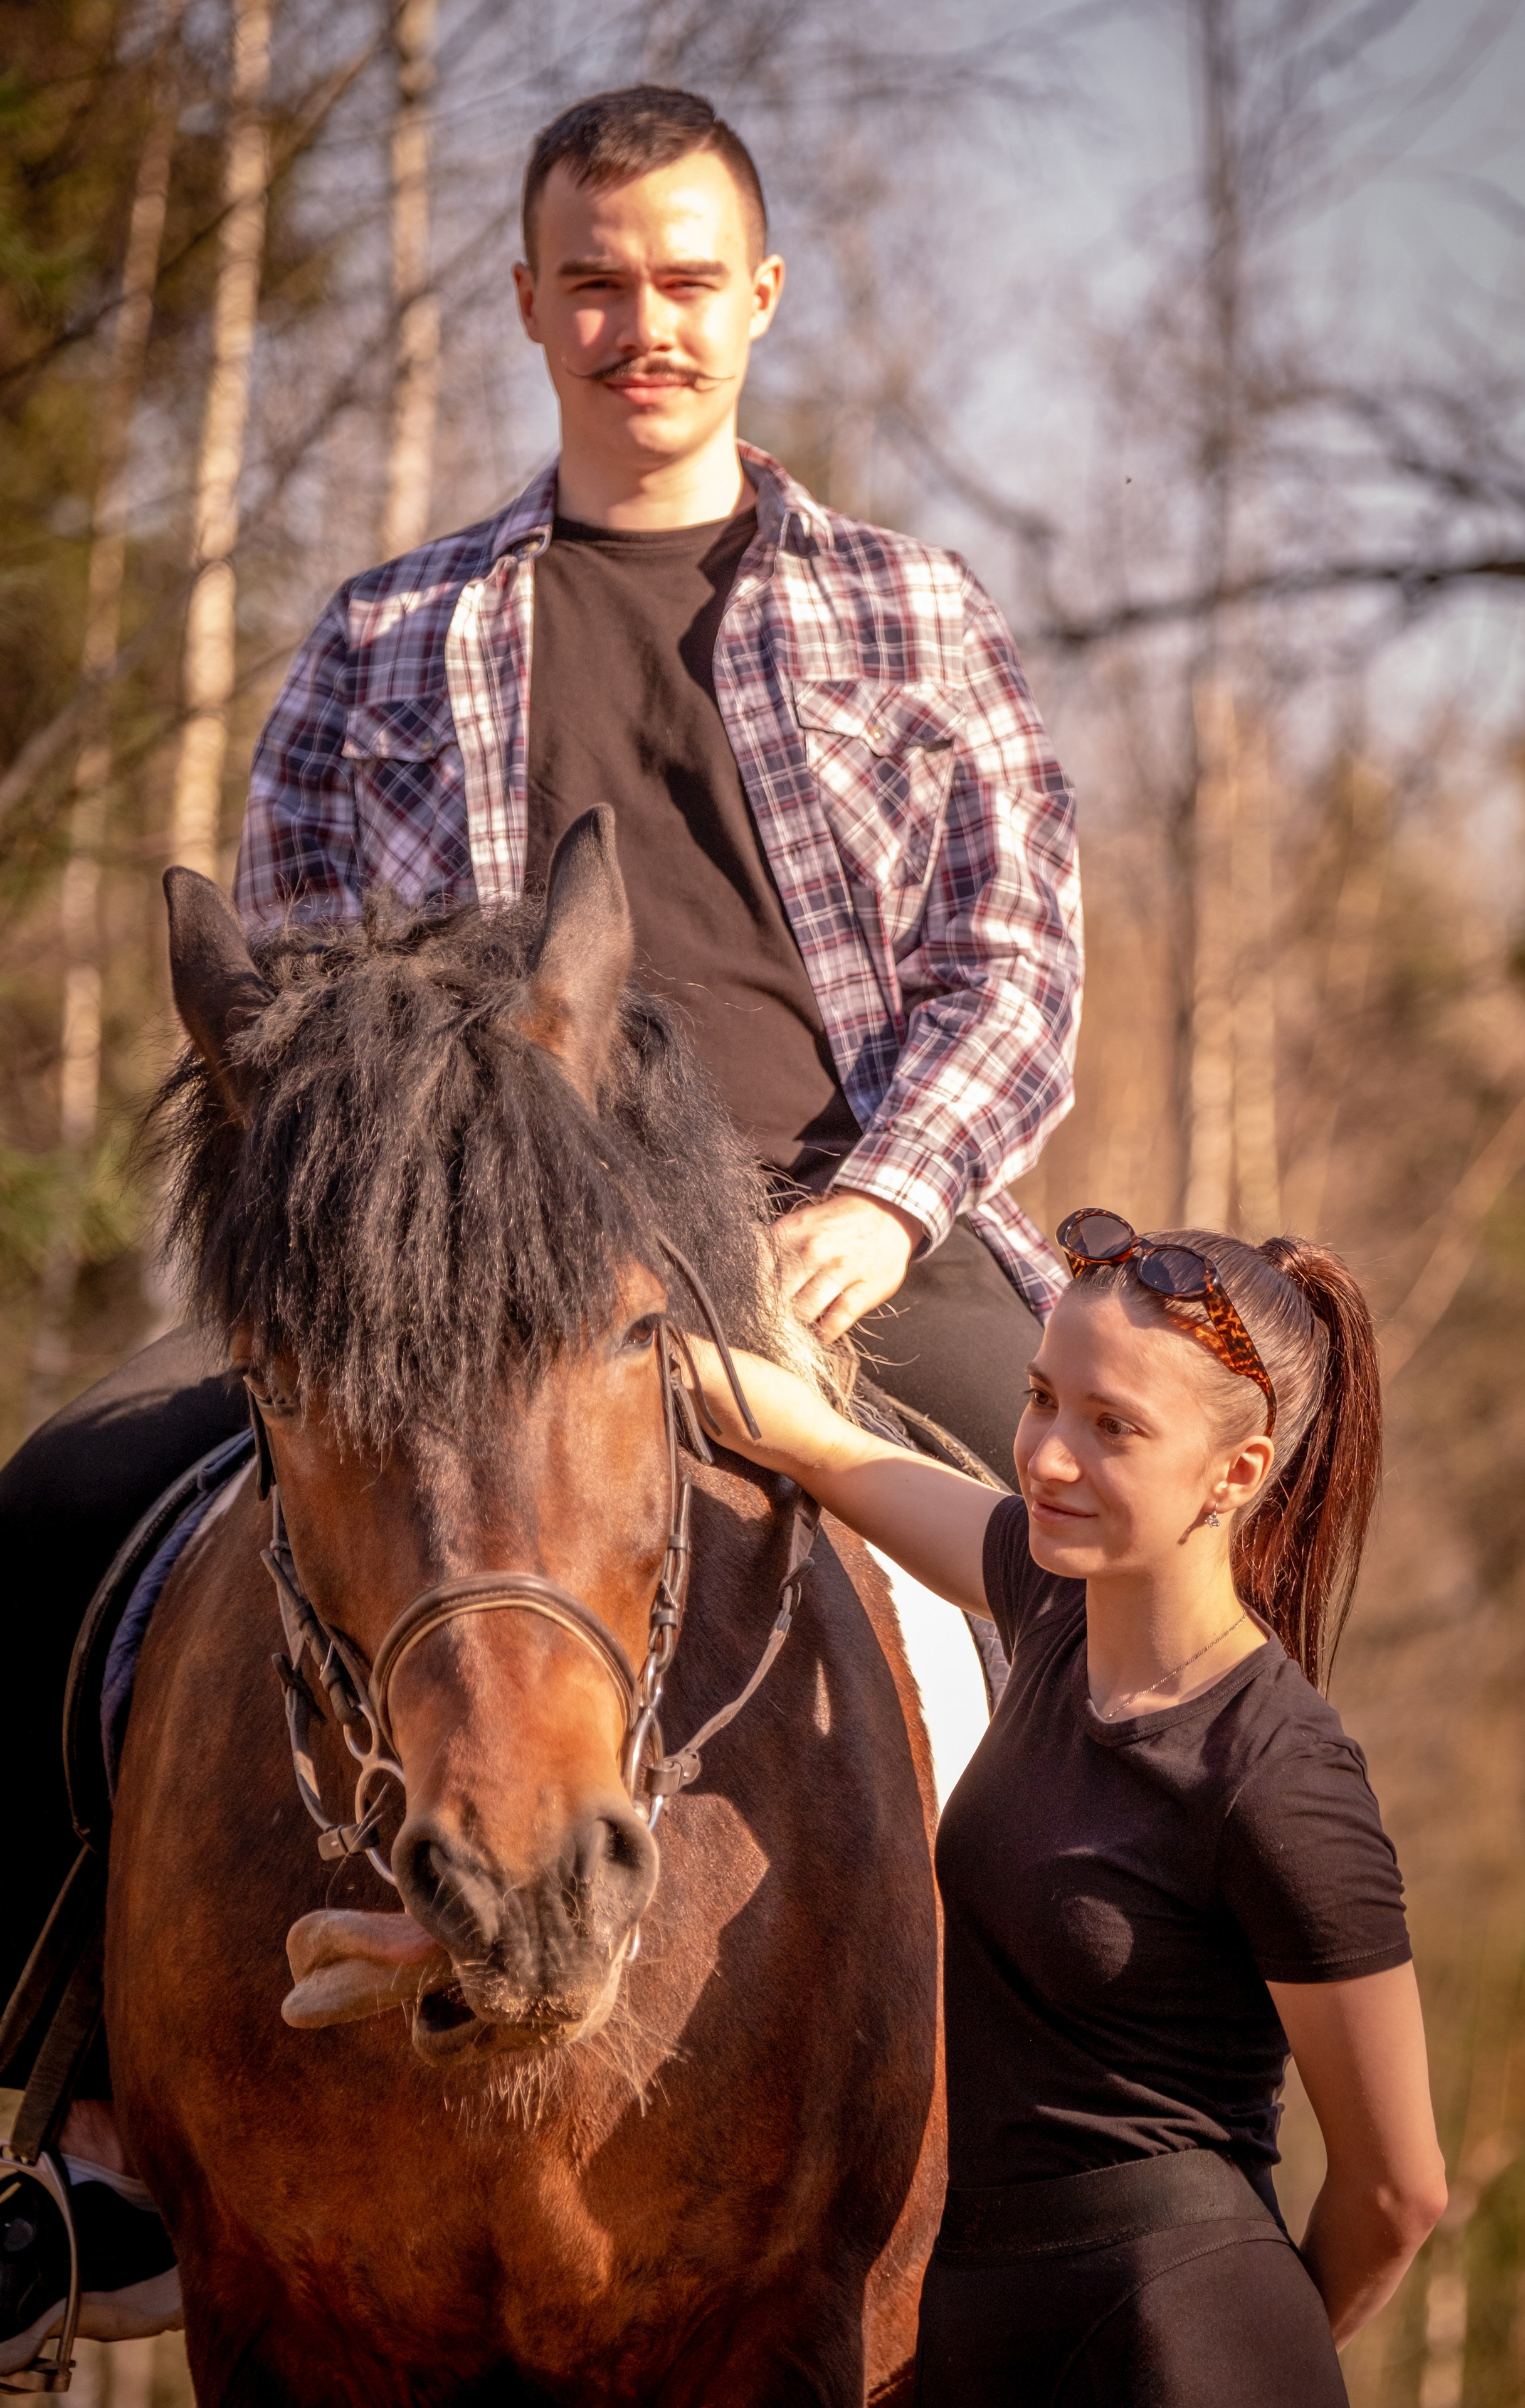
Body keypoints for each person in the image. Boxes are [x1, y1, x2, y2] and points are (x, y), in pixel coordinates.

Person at [0, 82, 1079, 2361]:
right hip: (466, 1273)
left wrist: (889, 1205)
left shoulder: (907, 609)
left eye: (687, 281)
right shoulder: (394, 634)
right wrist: (378, 1218)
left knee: (1122, 1575)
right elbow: (286, 996)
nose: (641, 323)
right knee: (63, 1510)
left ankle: (1136, 2157)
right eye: (596, 283)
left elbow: (1018, 957)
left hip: (828, 1235)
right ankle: (73, 2154)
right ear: (528, 304)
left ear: (759, 300)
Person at [683, 1209, 1447, 2405]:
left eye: (1114, 1429)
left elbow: (1401, 2193)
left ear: (1235, 1476)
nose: (1045, 1455)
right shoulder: (1047, 1610)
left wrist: (1245, 2356)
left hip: (1175, 2334)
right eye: (1043, 1399)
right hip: (986, 2323)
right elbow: (827, 1450)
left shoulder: (1280, 1772)